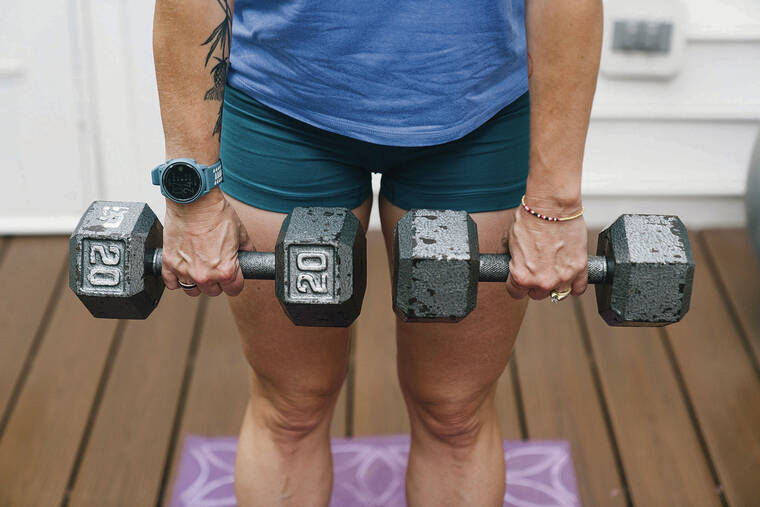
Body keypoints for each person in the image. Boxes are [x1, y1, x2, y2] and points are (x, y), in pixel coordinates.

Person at [153, 0, 602, 504]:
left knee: (454, 414)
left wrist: (554, 204)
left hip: (476, 108)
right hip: (281, 105)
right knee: (291, 408)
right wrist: (191, 198)